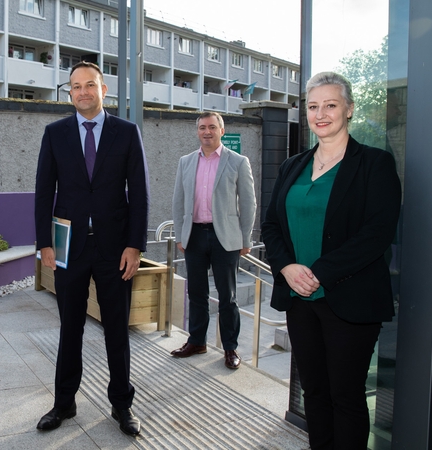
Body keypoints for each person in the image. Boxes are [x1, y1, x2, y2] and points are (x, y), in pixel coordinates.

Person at [261, 71, 401, 450]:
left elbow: (377, 233)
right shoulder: (293, 165)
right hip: (299, 300)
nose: (321, 113)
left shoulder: (374, 164)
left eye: (331, 105)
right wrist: (287, 267)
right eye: (313, 106)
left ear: (349, 109)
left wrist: (320, 273)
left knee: (346, 397)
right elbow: (271, 225)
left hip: (349, 300)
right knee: (315, 393)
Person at [34, 61, 150, 436]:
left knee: (117, 329)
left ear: (104, 90)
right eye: (75, 86)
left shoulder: (127, 133)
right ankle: (63, 403)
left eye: (90, 85)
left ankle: (122, 405)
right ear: (69, 92)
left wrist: (135, 245)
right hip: (69, 248)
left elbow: (141, 193)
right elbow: (43, 192)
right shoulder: (55, 134)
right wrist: (44, 244)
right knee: (70, 328)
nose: (82, 91)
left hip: (115, 249)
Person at [170, 111, 256, 370]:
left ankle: (230, 348)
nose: (206, 132)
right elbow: (177, 202)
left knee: (228, 296)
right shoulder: (185, 161)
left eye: (211, 127)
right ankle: (197, 341)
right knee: (196, 292)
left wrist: (245, 238)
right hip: (194, 235)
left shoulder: (238, 161)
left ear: (221, 130)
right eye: (202, 128)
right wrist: (180, 234)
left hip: (226, 239)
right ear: (197, 131)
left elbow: (249, 203)